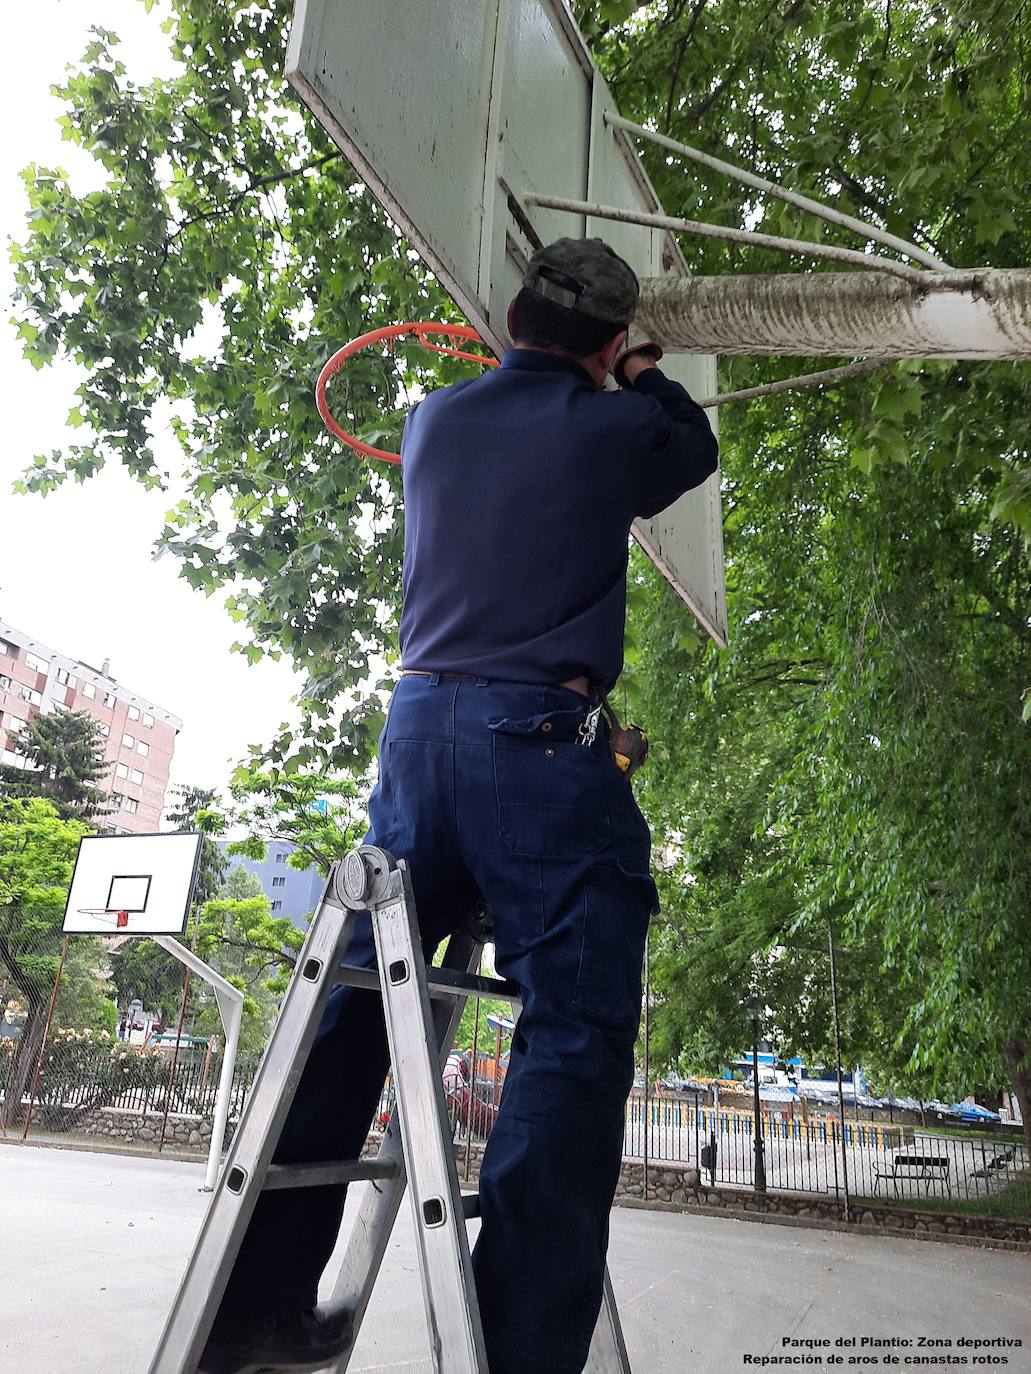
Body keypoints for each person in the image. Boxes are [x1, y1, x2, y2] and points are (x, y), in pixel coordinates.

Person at [201, 237, 718, 1374]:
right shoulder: (615, 424)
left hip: (416, 737)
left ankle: (256, 1300)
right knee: (572, 1032)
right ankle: (520, 1350)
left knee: (350, 1021)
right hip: (536, 738)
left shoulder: (434, 419)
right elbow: (692, 444)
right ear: (604, 346)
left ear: (508, 320)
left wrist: (587, 368)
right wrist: (635, 373)